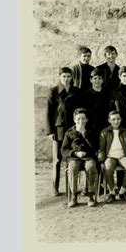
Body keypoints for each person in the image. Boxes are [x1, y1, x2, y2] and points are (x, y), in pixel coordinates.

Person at [45, 67, 83, 196]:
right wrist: (50, 131)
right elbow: (49, 113)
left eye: (68, 76)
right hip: (59, 129)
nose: (66, 79)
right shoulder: (53, 91)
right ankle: (54, 187)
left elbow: (79, 110)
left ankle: (70, 187)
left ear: (72, 77)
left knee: (71, 157)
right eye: (64, 76)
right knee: (57, 159)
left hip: (72, 129)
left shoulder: (76, 91)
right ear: (60, 77)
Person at [61, 108, 99, 207]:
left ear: (86, 120)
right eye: (78, 119)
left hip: (88, 157)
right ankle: (73, 196)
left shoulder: (91, 131)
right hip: (74, 158)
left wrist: (85, 135)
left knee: (91, 167)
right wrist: (75, 153)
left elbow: (95, 148)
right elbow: (64, 150)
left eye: (83, 119)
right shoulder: (69, 133)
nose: (80, 121)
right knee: (72, 168)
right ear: (74, 120)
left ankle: (90, 195)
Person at [97, 110, 126, 203]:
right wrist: (101, 161)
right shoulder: (104, 132)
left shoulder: (125, 132)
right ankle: (112, 192)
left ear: (121, 120)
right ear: (109, 120)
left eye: (118, 119)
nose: (116, 121)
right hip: (110, 156)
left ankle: (123, 191)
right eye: (113, 119)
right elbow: (101, 149)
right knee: (108, 167)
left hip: (122, 156)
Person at [110, 66, 126, 135]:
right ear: (119, 76)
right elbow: (111, 110)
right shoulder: (114, 92)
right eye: (124, 76)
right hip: (120, 126)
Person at [85, 68, 111, 134]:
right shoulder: (86, 94)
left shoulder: (107, 93)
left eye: (99, 78)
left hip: (104, 124)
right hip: (91, 125)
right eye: (95, 78)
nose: (97, 81)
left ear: (102, 80)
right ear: (91, 80)